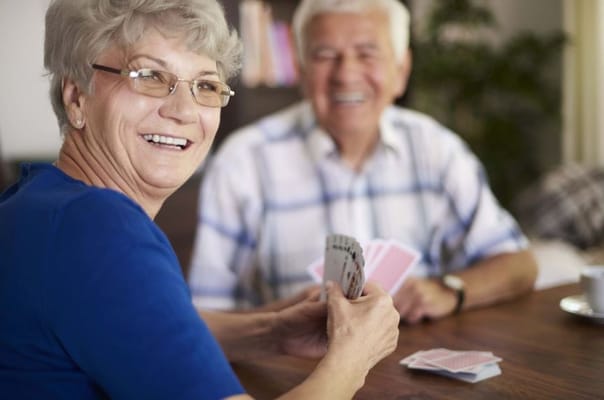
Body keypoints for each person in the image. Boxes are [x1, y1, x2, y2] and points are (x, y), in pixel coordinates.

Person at [0, 0, 401, 399]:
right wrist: (353, 356)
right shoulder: (98, 228)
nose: (184, 111)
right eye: (151, 76)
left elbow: (136, 328)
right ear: (76, 98)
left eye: (206, 86)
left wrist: (272, 332)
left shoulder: (41, 204)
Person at [188, 0, 539, 322]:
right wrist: (286, 318)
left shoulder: (437, 149)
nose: (347, 74)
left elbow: (520, 264)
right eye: (325, 55)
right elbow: (204, 319)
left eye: (367, 53)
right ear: (301, 70)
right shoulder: (242, 161)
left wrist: (449, 290)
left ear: (401, 71)